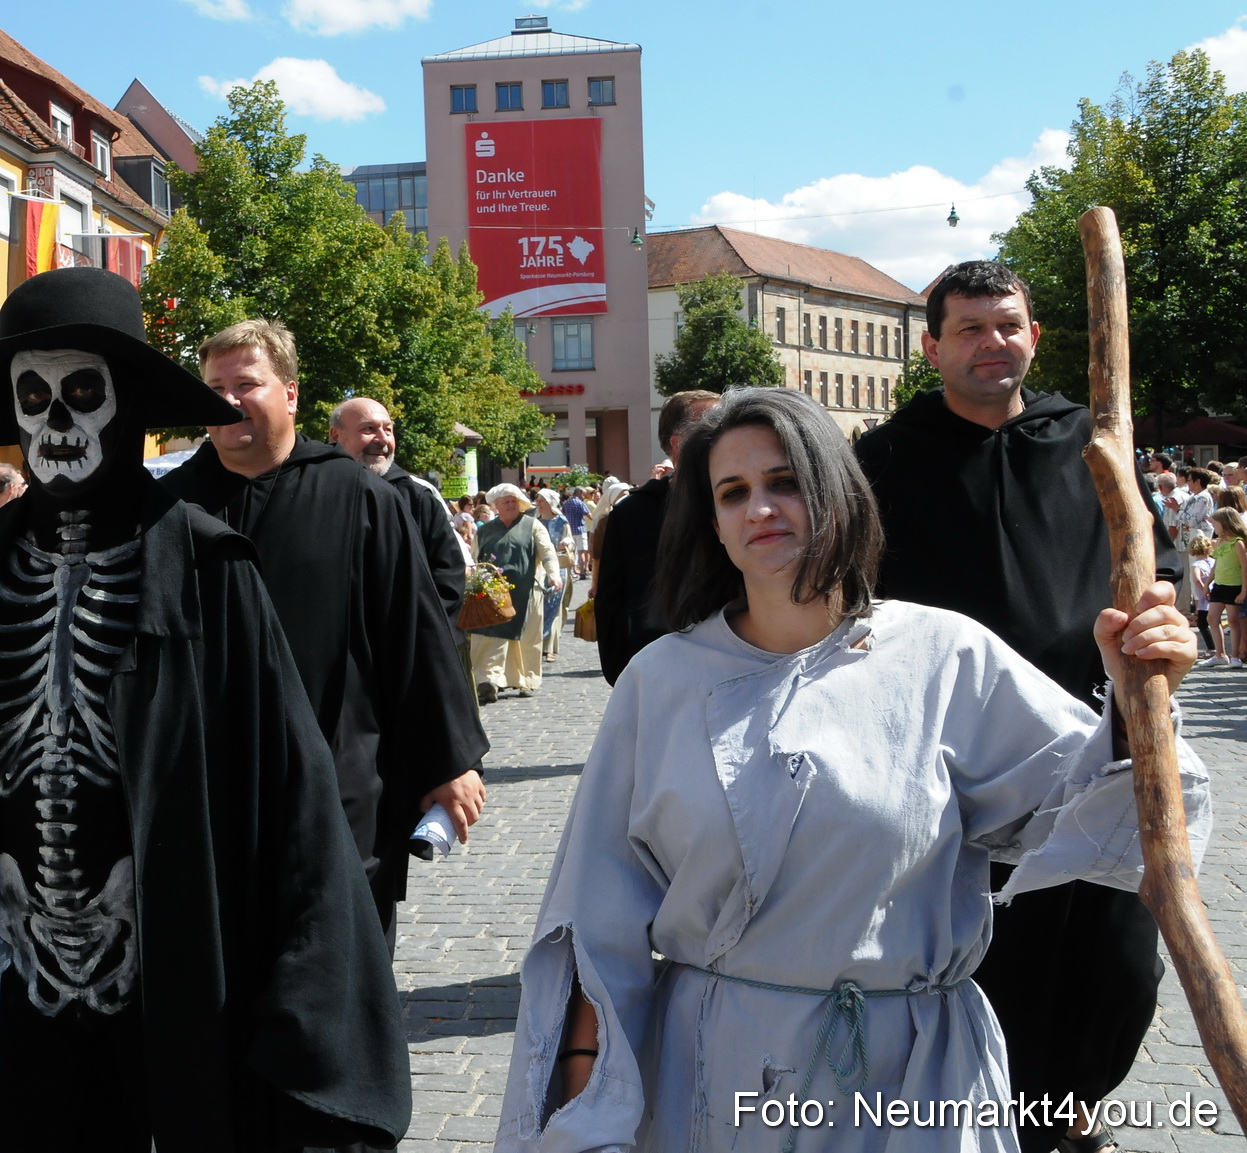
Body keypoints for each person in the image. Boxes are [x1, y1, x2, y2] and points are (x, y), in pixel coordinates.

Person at [496, 388, 1209, 1153]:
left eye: (785, 481)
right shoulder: (661, 682)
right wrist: (583, 1107)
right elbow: (597, 920)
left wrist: (1139, 698)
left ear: (836, 493)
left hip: (915, 1081)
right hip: (721, 1077)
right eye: (732, 493)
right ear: (713, 526)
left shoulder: (943, 655)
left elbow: (1108, 811)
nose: (760, 507)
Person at [0, 267, 411, 1150]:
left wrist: (306, 1006)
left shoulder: (209, 567)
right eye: (33, 397)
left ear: (122, 405)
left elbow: (290, 798)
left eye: (81, 394)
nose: (55, 423)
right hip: (13, 964)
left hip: (171, 973)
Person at [853, 260, 1183, 1153]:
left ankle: (1069, 1106)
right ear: (930, 348)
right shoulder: (881, 459)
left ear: (1034, 336)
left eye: (1006, 325)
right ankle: (997, 1114)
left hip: (1094, 738)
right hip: (951, 755)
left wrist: (1159, 617)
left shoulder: (1094, 445)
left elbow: (1159, 566)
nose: (990, 343)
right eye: (967, 328)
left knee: (1116, 953)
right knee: (997, 948)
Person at [164, 319, 489, 951]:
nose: (228, 401)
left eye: (247, 384)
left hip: (341, 778)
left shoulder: (361, 499)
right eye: (214, 387)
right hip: (207, 793)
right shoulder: (170, 509)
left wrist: (447, 760)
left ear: (290, 393)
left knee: (340, 979)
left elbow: (414, 633)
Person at [594, 389, 720, 685]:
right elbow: (611, 602)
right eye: (714, 429)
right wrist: (624, 676)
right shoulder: (632, 513)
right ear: (678, 445)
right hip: (661, 672)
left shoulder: (744, 503)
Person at [328, 396, 466, 628]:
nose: (381, 439)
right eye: (369, 429)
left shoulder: (418, 498)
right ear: (335, 435)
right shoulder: (315, 491)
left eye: (388, 430)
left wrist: (416, 628)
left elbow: (448, 577)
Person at [469, 484, 560, 702]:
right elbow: (474, 559)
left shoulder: (533, 526)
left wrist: (553, 574)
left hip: (527, 591)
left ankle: (526, 679)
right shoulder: (484, 531)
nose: (511, 505)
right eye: (506, 502)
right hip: (491, 594)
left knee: (526, 639)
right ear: (496, 506)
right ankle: (488, 681)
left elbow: (547, 552)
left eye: (514, 501)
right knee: (489, 638)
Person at [1201, 507, 1247, 669]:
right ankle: (1220, 654)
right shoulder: (1220, 541)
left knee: (1233, 621)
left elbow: (1244, 568)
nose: (1214, 526)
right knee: (1212, 618)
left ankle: (1235, 656)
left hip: (1234, 586)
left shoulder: (1238, 543)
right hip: (1219, 585)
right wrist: (1207, 584)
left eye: (1216, 523)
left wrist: (1243, 591)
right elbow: (1216, 564)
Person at [534, 489, 571, 661]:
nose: (539, 504)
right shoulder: (534, 522)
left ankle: (550, 649)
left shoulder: (562, 522)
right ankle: (538, 645)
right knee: (539, 609)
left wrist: (567, 544)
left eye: (542, 501)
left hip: (558, 569)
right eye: (538, 500)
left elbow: (570, 542)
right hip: (538, 570)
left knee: (554, 608)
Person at [1190, 534, 1217, 659]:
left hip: (1204, 599)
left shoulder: (1197, 565)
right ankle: (1217, 647)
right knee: (1216, 623)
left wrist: (1203, 589)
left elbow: (1196, 579)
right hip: (1216, 595)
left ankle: (1212, 648)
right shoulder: (1213, 561)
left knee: (1202, 624)